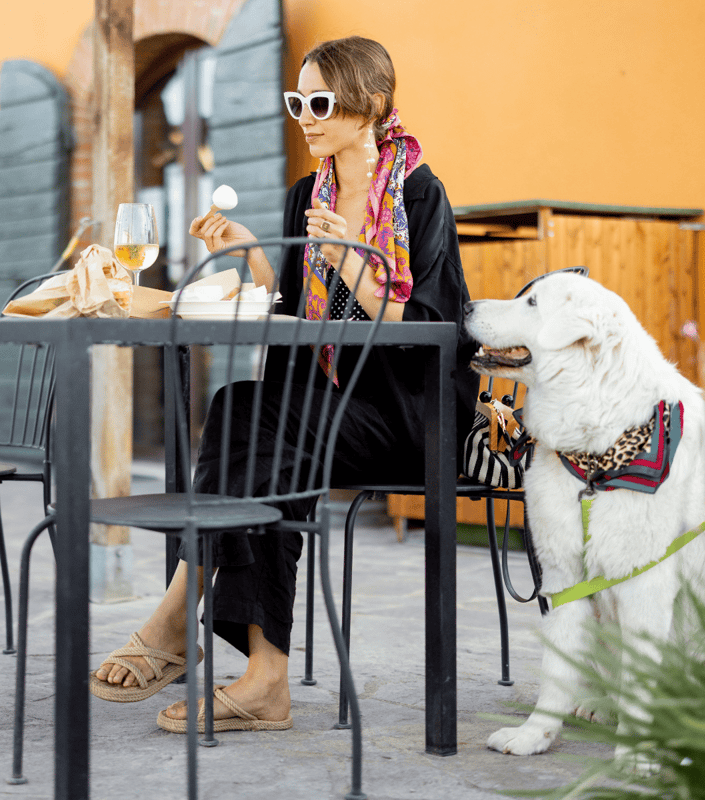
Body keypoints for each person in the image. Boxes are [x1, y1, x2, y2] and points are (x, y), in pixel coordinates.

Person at [90, 35, 478, 730]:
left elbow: (433, 323)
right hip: (325, 407)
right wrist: (253, 257)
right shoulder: (311, 191)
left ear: (373, 104)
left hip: (410, 417)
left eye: (321, 101)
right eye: (296, 100)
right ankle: (262, 679)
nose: (305, 114)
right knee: (246, 418)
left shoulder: (418, 193)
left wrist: (352, 264)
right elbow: (297, 310)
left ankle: (187, 624)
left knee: (256, 425)